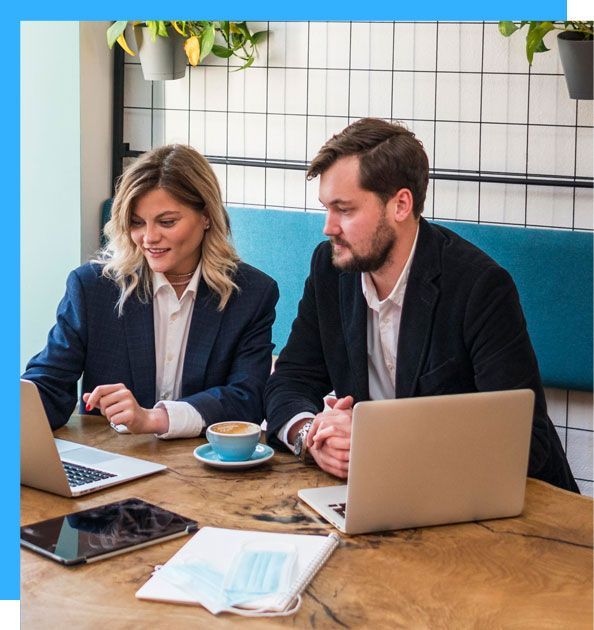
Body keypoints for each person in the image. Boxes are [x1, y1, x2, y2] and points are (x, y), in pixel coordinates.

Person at [264, 117, 578, 493]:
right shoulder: (330, 268)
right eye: (326, 208)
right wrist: (310, 437)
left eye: (344, 210)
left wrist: (373, 439)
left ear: (400, 204)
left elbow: (526, 442)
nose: (328, 227)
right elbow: (291, 379)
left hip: (502, 506)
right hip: (385, 493)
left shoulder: (479, 287)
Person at [23, 144, 279, 438]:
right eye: (136, 222)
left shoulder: (251, 294)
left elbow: (246, 400)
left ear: (207, 216)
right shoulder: (93, 287)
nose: (149, 238)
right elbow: (49, 383)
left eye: (167, 222)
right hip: (112, 462)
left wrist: (155, 418)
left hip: (204, 468)